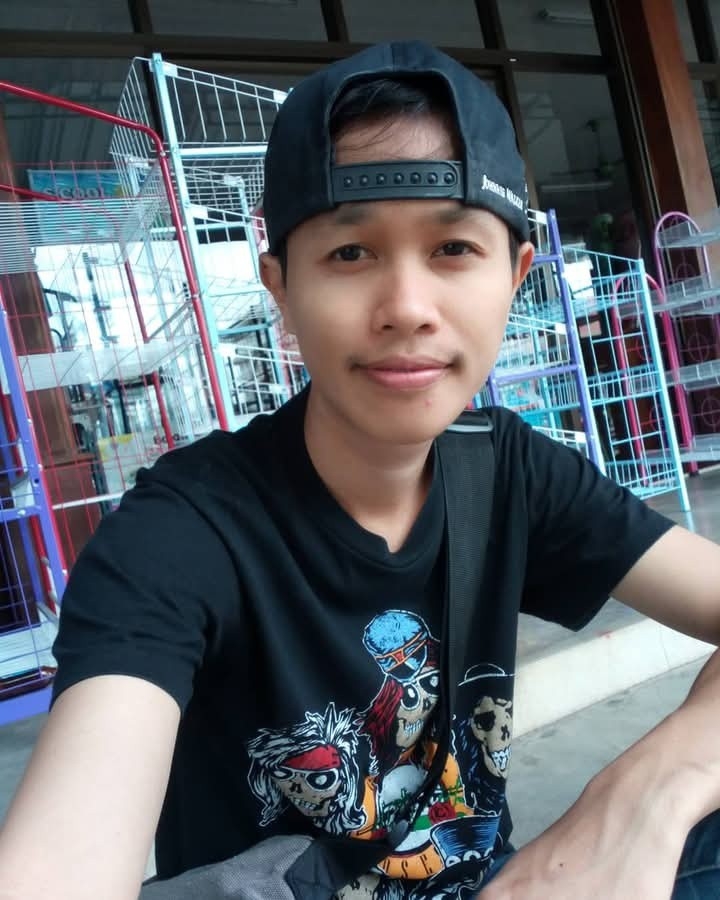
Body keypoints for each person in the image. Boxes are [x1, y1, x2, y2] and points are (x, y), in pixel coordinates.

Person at [1, 40, 719, 900]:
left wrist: (644, 795)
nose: (407, 309)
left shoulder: (506, 468)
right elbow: (63, 857)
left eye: (453, 248)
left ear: (516, 276)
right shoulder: (179, 535)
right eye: (350, 254)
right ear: (281, 289)